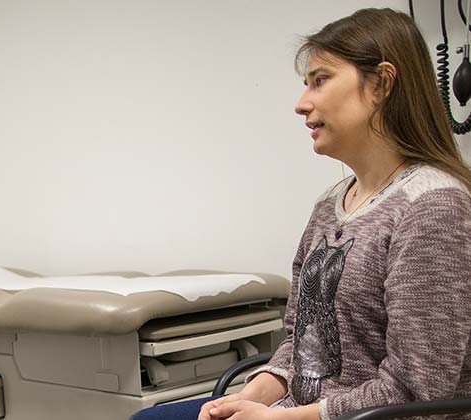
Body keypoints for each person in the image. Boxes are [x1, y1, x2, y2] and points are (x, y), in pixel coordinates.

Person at [132, 8, 471, 420]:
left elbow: (416, 391)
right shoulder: (331, 204)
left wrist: (280, 418)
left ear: (381, 83)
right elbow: (297, 339)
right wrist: (253, 395)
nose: (301, 103)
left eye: (320, 81)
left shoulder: (433, 207)